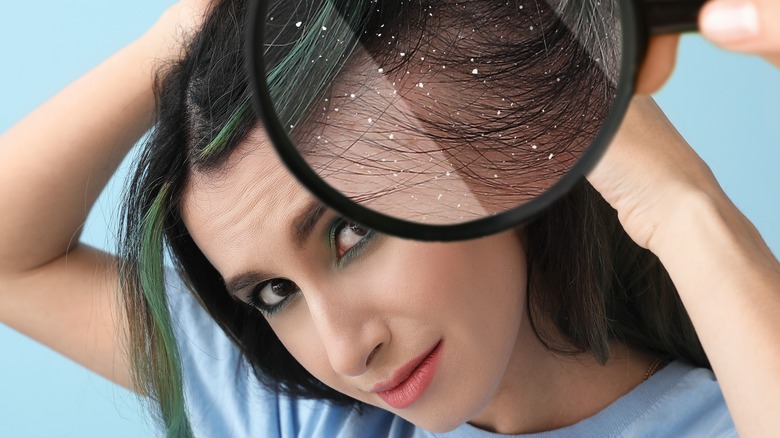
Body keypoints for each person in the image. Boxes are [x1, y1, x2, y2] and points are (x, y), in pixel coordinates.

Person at [0, 1, 778, 438]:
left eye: (349, 233)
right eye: (273, 293)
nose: (344, 350)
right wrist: (193, 29)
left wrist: (682, 208)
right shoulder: (303, 417)